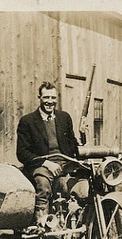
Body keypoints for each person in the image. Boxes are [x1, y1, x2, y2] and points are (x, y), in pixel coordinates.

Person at [16, 81, 79, 224]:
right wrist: (46, 163)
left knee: (85, 183)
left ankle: (80, 224)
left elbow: (72, 144)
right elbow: (22, 153)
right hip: (41, 166)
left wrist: (82, 143)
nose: (50, 102)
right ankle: (42, 225)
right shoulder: (27, 121)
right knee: (43, 184)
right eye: (46, 98)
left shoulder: (64, 117)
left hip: (65, 163)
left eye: (53, 98)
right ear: (40, 98)